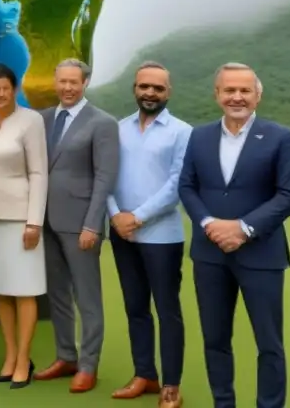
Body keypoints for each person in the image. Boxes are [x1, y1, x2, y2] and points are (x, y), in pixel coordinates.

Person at [178, 62, 290, 408]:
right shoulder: (198, 136)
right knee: (215, 338)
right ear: (217, 94)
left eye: (244, 90)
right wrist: (208, 224)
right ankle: (224, 402)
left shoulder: (281, 137)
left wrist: (243, 228)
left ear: (257, 95)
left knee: (268, 342)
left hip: (261, 255)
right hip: (209, 254)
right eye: (229, 90)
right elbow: (187, 186)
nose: (237, 97)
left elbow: (289, 194)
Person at [108, 62, 191, 408]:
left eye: (158, 88)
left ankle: (171, 384)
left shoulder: (183, 131)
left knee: (167, 310)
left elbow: (178, 184)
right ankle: (145, 374)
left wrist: (136, 217)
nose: (150, 93)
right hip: (122, 235)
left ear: (168, 92)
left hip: (162, 237)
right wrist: (115, 216)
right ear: (135, 89)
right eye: (144, 86)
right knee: (135, 308)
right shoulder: (118, 129)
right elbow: (106, 176)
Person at [35, 58, 119, 394]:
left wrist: (93, 225)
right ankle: (65, 356)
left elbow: (105, 177)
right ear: (55, 83)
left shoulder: (103, 123)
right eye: (62, 82)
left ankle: (88, 364)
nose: (67, 88)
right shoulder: (41, 120)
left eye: (74, 82)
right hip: (46, 221)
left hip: (80, 224)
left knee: (87, 297)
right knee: (56, 294)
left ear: (85, 83)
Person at [0, 63, 48, 391]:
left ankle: (24, 360)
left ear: (14, 89)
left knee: (25, 289)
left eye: (4, 88)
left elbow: (39, 172)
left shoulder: (31, 120)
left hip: (21, 219)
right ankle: (10, 354)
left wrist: (34, 221)